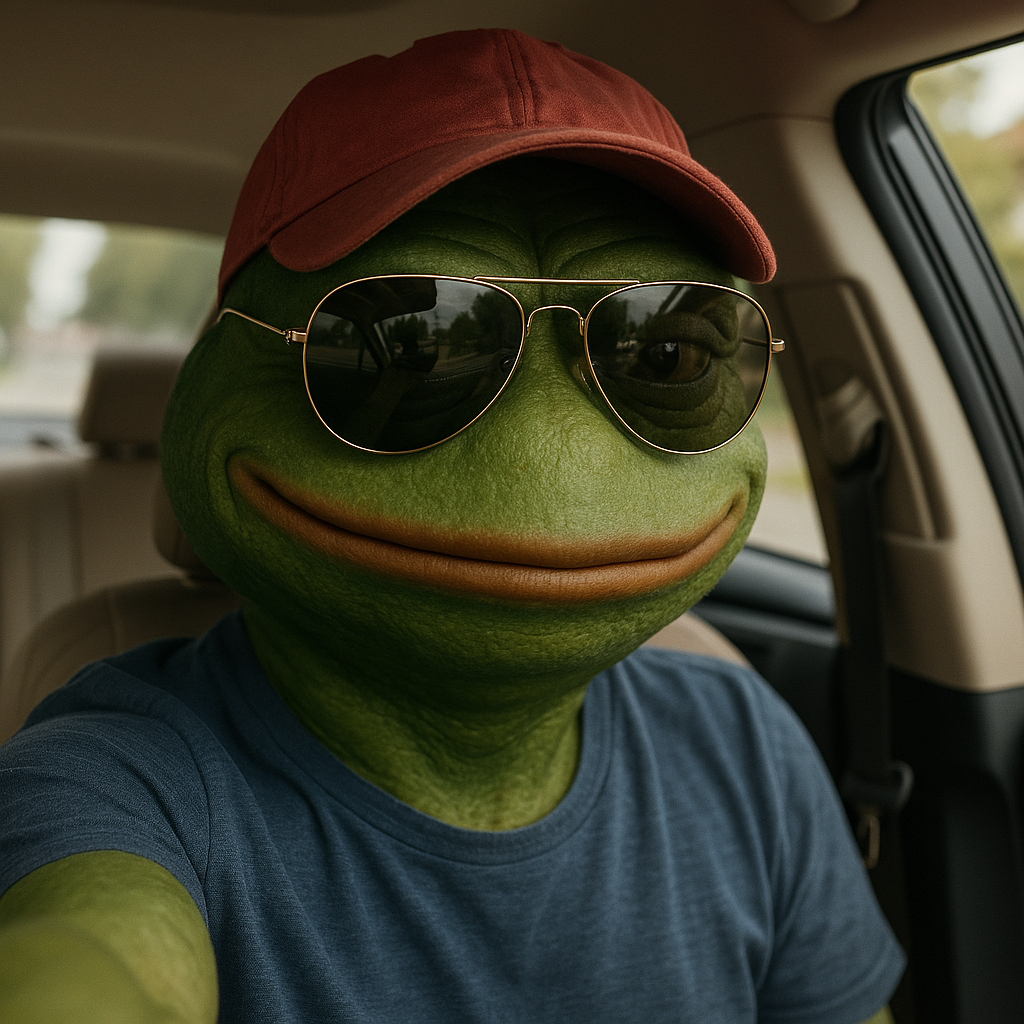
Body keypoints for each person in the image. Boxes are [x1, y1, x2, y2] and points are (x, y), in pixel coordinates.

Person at [0, 28, 904, 1023]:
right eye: (408, 346)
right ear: (217, 373)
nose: (548, 455)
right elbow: (90, 957)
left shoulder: (742, 741)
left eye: (670, 353)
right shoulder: (118, 774)